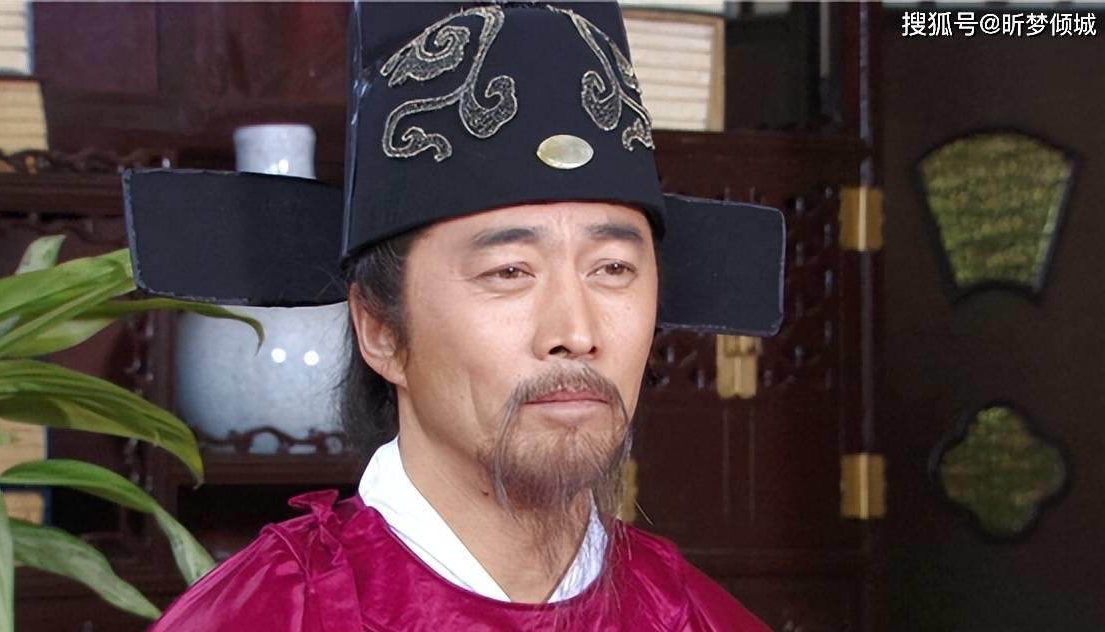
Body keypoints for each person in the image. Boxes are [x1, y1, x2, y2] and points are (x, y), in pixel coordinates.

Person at [126, 2, 785, 630]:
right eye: (509, 272)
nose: (575, 334)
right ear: (381, 331)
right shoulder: (269, 617)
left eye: (612, 269)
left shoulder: (696, 619)